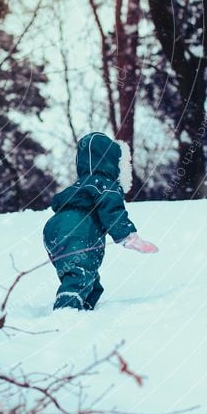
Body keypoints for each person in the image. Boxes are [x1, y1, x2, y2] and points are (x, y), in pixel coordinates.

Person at [43, 132, 159, 311]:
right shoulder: (104, 184)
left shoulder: (81, 185)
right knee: (79, 275)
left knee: (85, 276)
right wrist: (129, 237)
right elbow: (112, 211)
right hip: (79, 228)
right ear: (113, 163)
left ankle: (84, 310)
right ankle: (66, 314)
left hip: (54, 229)